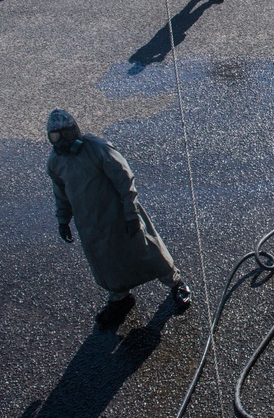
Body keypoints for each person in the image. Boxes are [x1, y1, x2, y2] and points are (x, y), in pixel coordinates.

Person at [46, 109, 192, 329]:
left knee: (147, 249)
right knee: (106, 263)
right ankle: (120, 297)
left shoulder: (98, 149)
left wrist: (131, 214)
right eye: (55, 137)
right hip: (91, 225)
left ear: (74, 131)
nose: (61, 141)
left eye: (65, 134)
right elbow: (61, 193)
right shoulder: (56, 162)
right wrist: (63, 220)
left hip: (119, 215)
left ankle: (175, 283)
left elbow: (125, 180)